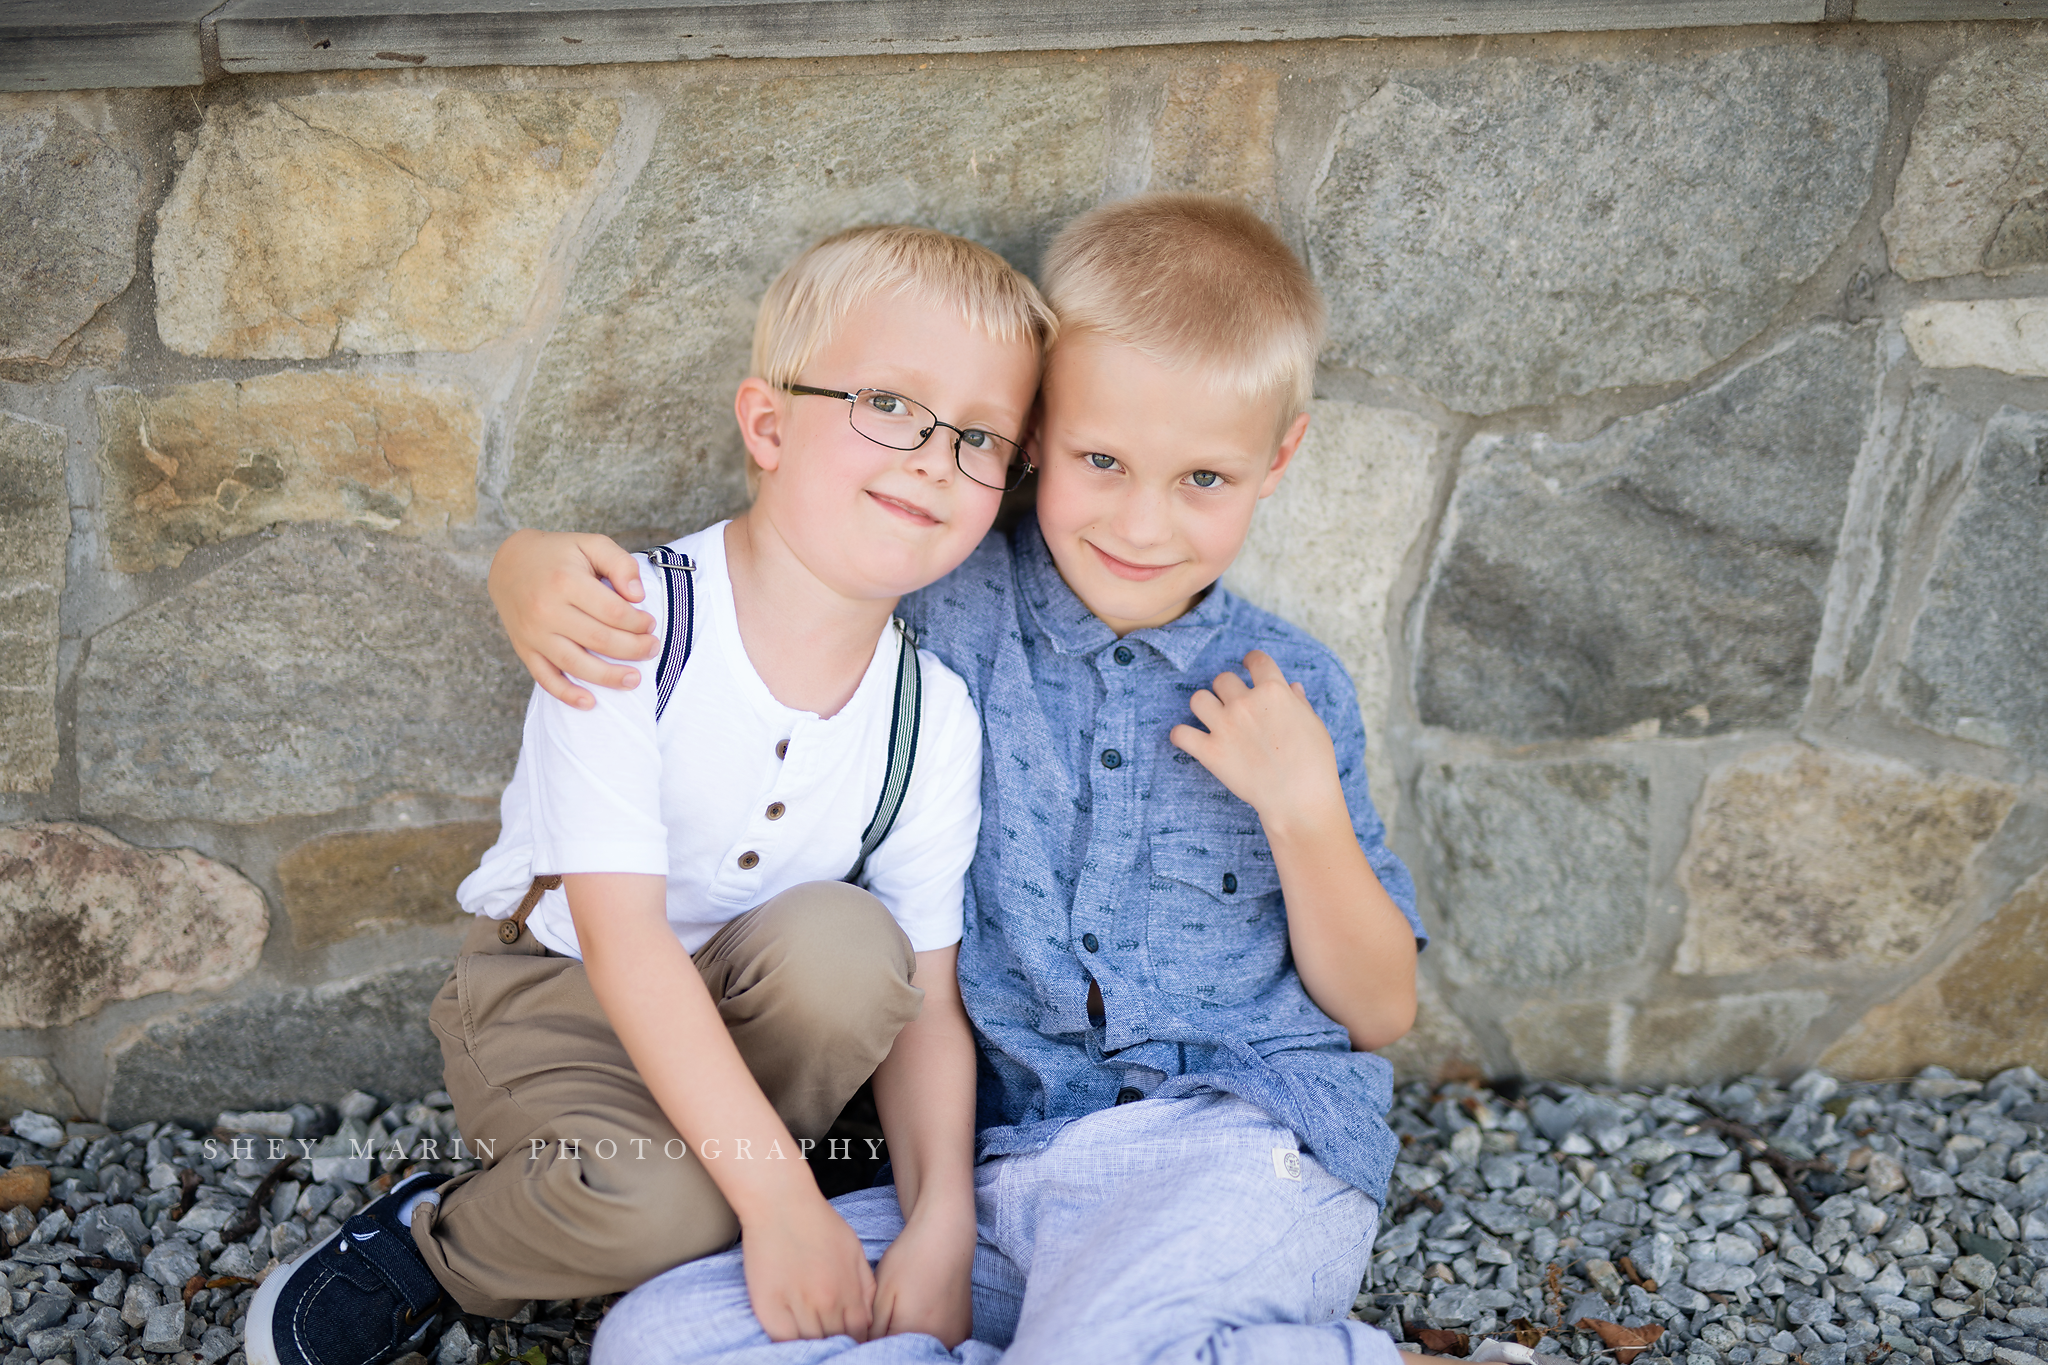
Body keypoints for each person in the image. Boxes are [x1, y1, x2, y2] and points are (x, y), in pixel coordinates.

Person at [487, 193, 1433, 1364]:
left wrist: (1302, 814)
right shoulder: (941, 593)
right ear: (1034, 439)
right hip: (999, 1173)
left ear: (1277, 458)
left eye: (1203, 479)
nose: (1143, 523)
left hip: (1238, 1148)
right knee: (656, 1339)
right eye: (1099, 461)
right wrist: (524, 570)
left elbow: (1379, 1010)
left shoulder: (1287, 686)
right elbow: (778, 554)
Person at [245, 224, 1055, 1365]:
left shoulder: (932, 716)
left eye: (981, 436)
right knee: (668, 1211)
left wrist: (940, 1226)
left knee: (853, 942)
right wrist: (782, 1210)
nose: (933, 456)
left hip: (742, 1019)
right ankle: (430, 1243)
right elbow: (622, 940)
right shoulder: (631, 625)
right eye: (888, 402)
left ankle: (732, 1176)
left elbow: (923, 1002)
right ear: (768, 425)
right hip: (555, 995)